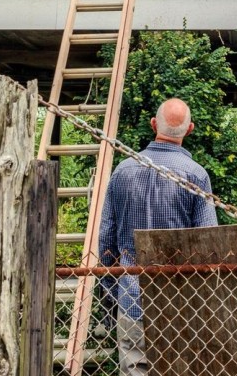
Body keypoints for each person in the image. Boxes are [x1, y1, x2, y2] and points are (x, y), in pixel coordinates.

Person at [96, 97, 217, 376]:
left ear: (153, 125)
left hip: (131, 294)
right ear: (190, 130)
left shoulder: (122, 171)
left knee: (135, 369)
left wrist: (114, 291)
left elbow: (106, 240)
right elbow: (209, 245)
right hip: (182, 300)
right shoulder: (196, 176)